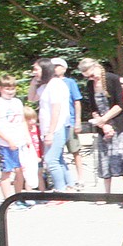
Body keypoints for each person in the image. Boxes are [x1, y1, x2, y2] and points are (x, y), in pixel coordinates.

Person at [79, 58, 123, 196]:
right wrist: (102, 125)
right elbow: (93, 108)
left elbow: (119, 105)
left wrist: (105, 120)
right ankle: (107, 194)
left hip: (119, 122)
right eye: (88, 77)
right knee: (104, 159)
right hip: (103, 126)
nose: (91, 79)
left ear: (96, 66)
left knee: (121, 157)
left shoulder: (113, 79)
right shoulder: (90, 85)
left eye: (92, 75)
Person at [28, 58, 72, 193]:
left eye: (36, 69)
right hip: (47, 128)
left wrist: (51, 132)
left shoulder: (56, 85)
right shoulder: (45, 86)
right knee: (58, 159)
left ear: (45, 69)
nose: (34, 72)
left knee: (51, 160)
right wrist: (34, 82)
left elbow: (56, 110)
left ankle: (60, 191)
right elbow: (31, 98)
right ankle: (70, 185)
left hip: (56, 127)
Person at [0, 74, 29, 208]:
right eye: (7, 88)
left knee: (20, 171)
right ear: (0, 88)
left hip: (19, 141)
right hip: (5, 143)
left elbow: (22, 121)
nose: (10, 91)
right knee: (7, 172)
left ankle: (19, 197)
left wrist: (26, 137)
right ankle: (8, 200)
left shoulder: (17, 102)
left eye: (12, 88)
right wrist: (8, 139)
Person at [52, 57, 86, 189]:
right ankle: (66, 180)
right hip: (57, 124)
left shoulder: (70, 82)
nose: (55, 68)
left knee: (75, 150)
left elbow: (77, 101)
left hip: (69, 121)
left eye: (57, 66)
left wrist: (77, 120)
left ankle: (80, 178)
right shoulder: (50, 83)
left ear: (64, 68)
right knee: (58, 154)